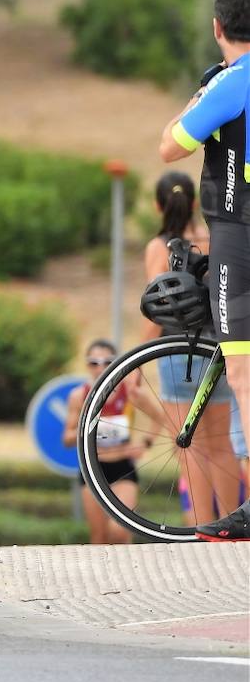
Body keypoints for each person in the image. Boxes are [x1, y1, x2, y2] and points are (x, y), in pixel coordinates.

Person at [157, 0, 250, 541]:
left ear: (218, 27)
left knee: (240, 366)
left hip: (239, 232)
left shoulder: (232, 81)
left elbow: (171, 144)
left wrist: (196, 98)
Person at [140, 171, 243, 525]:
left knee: (189, 447)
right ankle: (231, 522)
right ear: (196, 203)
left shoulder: (158, 247)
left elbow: (158, 309)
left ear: (157, 205)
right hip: (217, 350)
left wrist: (137, 360)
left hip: (174, 352)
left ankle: (200, 527)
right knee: (220, 444)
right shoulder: (215, 239)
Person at [61, 340, 144, 543]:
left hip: (123, 468)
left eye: (107, 362)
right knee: (99, 537)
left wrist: (146, 443)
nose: (100, 368)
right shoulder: (78, 396)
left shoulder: (128, 392)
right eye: (94, 362)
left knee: (121, 531)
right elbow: (67, 439)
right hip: (93, 468)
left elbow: (159, 417)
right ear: (87, 366)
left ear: (115, 364)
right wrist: (89, 429)